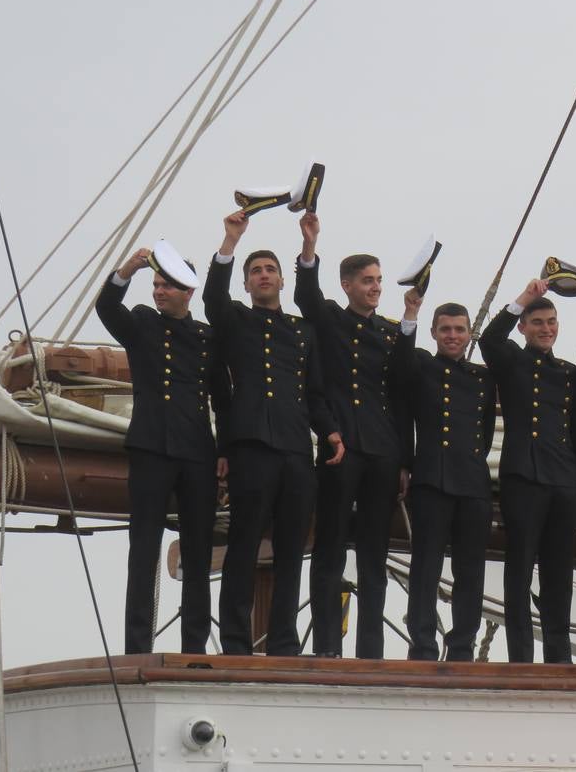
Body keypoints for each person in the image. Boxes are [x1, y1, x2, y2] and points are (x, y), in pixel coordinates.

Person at [205, 211, 343, 656]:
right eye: (255, 271)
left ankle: (284, 641)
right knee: (244, 545)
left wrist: (331, 433)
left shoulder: (303, 332)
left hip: (295, 451)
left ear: (282, 281)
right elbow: (211, 299)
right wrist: (230, 242)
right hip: (251, 447)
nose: (263, 276)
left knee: (291, 550)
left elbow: (316, 391)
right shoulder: (236, 321)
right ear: (246, 284)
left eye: (269, 270)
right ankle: (236, 641)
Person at [95, 245, 230, 654]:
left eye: (165, 285)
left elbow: (223, 399)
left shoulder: (208, 338)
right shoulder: (141, 324)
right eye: (154, 284)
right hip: (151, 447)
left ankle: (194, 647)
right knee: (143, 551)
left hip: (196, 455)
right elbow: (106, 307)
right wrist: (128, 268)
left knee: (197, 553)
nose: (157, 291)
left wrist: (224, 450)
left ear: (187, 291)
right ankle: (137, 646)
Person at [295, 212, 405, 659]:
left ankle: (371, 651)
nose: (376, 287)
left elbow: (402, 396)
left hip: (381, 450)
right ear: (346, 285)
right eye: (367, 280)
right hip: (341, 446)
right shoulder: (329, 320)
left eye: (378, 280)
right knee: (331, 550)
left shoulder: (393, 334)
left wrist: (404, 461)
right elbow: (304, 293)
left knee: (375, 556)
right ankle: (326, 647)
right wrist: (309, 245)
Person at [479, 279, 576, 663]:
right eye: (538, 322)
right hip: (524, 478)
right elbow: (488, 340)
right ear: (524, 328)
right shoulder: (513, 359)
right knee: (520, 571)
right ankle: (521, 657)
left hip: (564, 480)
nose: (546, 328)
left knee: (559, 575)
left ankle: (559, 656)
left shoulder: (567, 372)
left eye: (551, 321)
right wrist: (525, 297)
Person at [395, 291, 497, 661]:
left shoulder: (483, 379)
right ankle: (422, 644)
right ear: (434, 334)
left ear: (470, 334)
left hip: (472, 483)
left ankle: (462, 646)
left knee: (470, 571)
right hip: (432, 479)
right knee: (426, 567)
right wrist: (411, 314)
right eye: (445, 330)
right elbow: (399, 364)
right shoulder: (422, 364)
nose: (452, 336)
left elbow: (484, 432)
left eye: (459, 329)